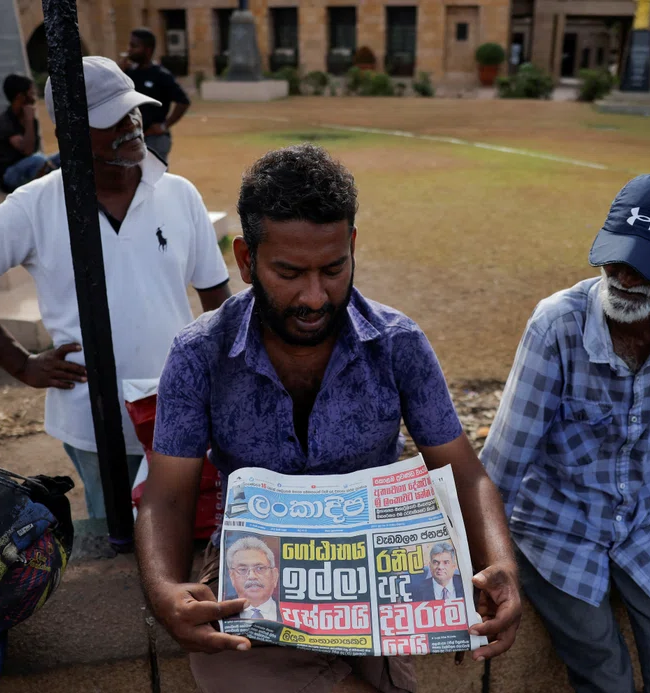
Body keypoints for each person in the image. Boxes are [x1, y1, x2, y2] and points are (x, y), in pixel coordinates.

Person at [135, 144, 521, 693]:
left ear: (353, 248)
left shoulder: (397, 344)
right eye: (289, 272)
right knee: (229, 661)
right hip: (252, 577)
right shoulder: (201, 353)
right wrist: (164, 592)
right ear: (246, 260)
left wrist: (501, 565)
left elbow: (466, 473)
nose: (315, 296)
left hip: (377, 583)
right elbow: (168, 495)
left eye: (334, 268)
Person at [482, 174, 650, 693]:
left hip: (639, 523)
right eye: (614, 257)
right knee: (603, 671)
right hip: (553, 528)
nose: (621, 275)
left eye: (645, 267)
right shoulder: (558, 325)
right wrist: (486, 555)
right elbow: (504, 459)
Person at [0, 57, 231, 520]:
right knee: (116, 538)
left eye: (132, 110)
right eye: (111, 120)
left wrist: (223, 382)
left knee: (182, 528)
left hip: (179, 413)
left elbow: (216, 299)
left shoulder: (179, 194)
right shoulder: (35, 205)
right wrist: (20, 363)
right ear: (69, 133)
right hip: (90, 420)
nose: (131, 126)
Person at [120, 28, 190, 163]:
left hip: (154, 140)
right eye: (129, 45)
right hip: (131, 137)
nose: (129, 50)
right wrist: (119, 70)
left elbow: (183, 101)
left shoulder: (161, 75)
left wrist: (164, 126)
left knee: (156, 180)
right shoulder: (128, 72)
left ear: (148, 50)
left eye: (134, 46)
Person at [0, 74, 60, 192]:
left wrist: (30, 120)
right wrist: (29, 120)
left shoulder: (32, 120)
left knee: (64, 156)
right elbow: (28, 151)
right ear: (20, 97)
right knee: (38, 160)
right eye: (31, 93)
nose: (34, 97)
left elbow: (34, 150)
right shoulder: (4, 122)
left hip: (33, 165)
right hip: (10, 175)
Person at [225, 536, 280, 622]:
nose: (252, 576)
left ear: (274, 576)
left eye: (260, 568)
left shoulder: (292, 611)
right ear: (232, 576)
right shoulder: (222, 608)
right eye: (243, 570)